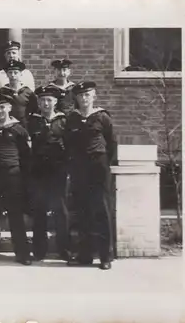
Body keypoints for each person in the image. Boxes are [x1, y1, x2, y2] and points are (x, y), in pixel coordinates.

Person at [64, 81, 117, 270]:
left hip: (98, 167)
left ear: (93, 96)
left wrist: (103, 164)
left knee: (101, 210)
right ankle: (85, 254)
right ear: (76, 99)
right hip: (79, 168)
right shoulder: (72, 119)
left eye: (87, 95)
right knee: (82, 210)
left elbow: (111, 144)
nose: (84, 98)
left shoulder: (102, 117)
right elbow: (68, 144)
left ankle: (105, 256)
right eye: (80, 95)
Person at [0, 93, 32, 266]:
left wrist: (23, 180)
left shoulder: (18, 129)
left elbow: (26, 157)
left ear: (9, 108)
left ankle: (22, 253)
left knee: (15, 215)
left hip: (13, 176)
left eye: (2, 107)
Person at [27, 85, 70, 262]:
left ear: (55, 102)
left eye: (49, 100)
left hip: (58, 171)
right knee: (39, 210)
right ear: (38, 102)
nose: (46, 103)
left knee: (60, 211)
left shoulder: (63, 121)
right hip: (38, 172)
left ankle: (64, 249)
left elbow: (69, 147)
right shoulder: (33, 121)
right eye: (43, 100)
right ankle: (39, 250)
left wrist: (68, 170)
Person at [0, 60, 38, 130]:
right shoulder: (2, 92)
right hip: (7, 127)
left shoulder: (28, 92)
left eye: (16, 73)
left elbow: (35, 110)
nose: (13, 75)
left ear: (20, 74)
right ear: (7, 74)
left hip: (24, 126)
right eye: (10, 72)